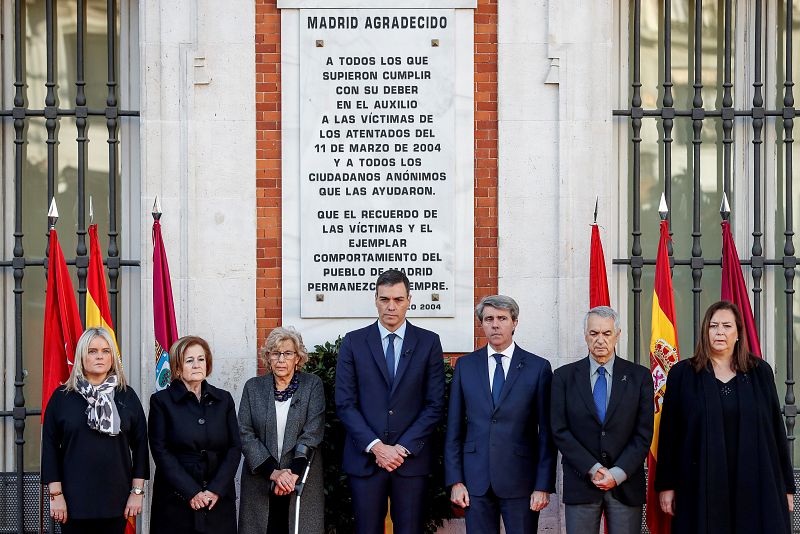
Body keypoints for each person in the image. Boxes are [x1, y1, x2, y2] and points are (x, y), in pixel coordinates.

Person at [656, 300, 796, 533]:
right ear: (705, 331)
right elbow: (670, 435)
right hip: (700, 482)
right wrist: (666, 485)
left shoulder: (760, 372)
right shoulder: (683, 374)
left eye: (727, 326)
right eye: (713, 326)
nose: (720, 332)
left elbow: (776, 431)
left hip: (755, 480)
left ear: (739, 333)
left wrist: (787, 487)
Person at [335, 269, 445, 534]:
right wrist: (377, 447)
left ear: (409, 300)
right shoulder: (354, 342)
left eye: (398, 299)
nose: (391, 306)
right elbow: (345, 403)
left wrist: (402, 448)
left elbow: (434, 404)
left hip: (411, 461)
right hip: (366, 459)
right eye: (385, 299)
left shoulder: (429, 342)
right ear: (375, 300)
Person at [444, 295, 556, 533]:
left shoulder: (538, 368)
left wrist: (543, 485)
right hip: (475, 481)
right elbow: (454, 429)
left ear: (514, 322)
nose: (495, 324)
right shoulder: (465, 366)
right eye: (489, 319)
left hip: (522, 482)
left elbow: (547, 433)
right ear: (481, 324)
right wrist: (456, 481)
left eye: (502, 318)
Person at [550, 306, 653, 533]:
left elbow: (643, 434)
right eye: (594, 333)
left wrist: (616, 474)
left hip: (625, 483)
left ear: (617, 335)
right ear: (585, 335)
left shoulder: (639, 377)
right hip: (581, 482)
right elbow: (559, 430)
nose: (600, 340)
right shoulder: (563, 377)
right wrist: (593, 468)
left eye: (606, 334)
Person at [41, 327, 149, 534]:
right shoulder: (62, 397)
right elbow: (50, 447)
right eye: (92, 351)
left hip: (117, 499)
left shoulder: (126, 395)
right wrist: (56, 496)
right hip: (72, 501)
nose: (100, 356)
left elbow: (141, 445)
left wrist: (137, 492)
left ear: (112, 357)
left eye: (106, 351)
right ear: (82, 356)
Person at [148, 335, 242, 534]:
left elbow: (234, 447)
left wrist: (215, 489)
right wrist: (192, 492)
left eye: (201, 359)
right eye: (189, 360)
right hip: (176, 498)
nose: (197, 365)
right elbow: (160, 451)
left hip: (217, 499)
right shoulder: (161, 401)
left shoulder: (223, 399)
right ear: (177, 367)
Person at [239, 327, 325, 534]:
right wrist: (274, 473)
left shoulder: (312, 385)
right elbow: (245, 432)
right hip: (261, 478)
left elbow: (312, 432)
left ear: (298, 357)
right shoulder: (253, 387)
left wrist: (291, 475)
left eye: (288, 353)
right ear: (267, 357)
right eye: (275, 353)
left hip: (300, 477)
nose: (281, 359)